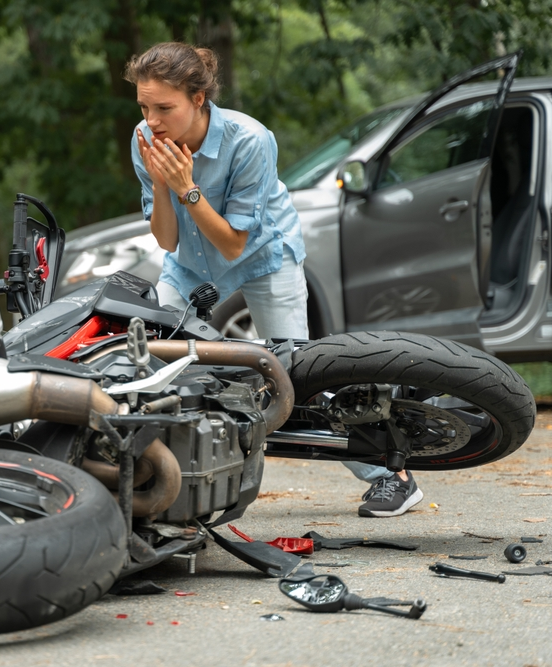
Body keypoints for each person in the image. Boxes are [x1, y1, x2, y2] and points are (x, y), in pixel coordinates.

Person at [125, 42, 422, 518]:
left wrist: (186, 187)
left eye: (164, 107)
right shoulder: (145, 140)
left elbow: (234, 245)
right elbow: (165, 238)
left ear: (198, 99)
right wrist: (162, 183)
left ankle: (392, 475)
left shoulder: (249, 140)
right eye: (144, 106)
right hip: (188, 263)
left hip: (263, 256)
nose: (151, 119)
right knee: (155, 365)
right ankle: (165, 483)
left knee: (297, 375)